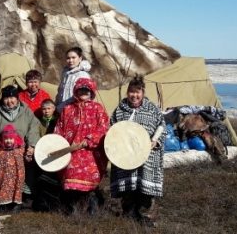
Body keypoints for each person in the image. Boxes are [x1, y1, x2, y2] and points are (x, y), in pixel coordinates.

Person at [109, 75, 166, 226]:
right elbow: (112, 131)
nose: (134, 95)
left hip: (147, 156)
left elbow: (162, 127)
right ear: (127, 92)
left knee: (144, 188)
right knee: (128, 187)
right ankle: (129, 214)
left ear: (143, 92)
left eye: (138, 92)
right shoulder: (120, 111)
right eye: (131, 92)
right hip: (125, 156)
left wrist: (155, 140)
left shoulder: (152, 109)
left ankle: (146, 216)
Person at [54, 78, 109, 215]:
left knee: (90, 178)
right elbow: (59, 129)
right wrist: (59, 145)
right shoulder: (67, 109)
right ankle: (73, 209)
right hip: (71, 151)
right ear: (76, 91)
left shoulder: (98, 108)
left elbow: (104, 128)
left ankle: (92, 208)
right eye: (81, 89)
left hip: (92, 151)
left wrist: (89, 140)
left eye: (86, 89)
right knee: (71, 176)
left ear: (91, 92)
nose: (83, 92)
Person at [0, 85, 40, 204]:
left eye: (12, 98)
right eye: (6, 98)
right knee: (1, 173)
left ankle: (19, 200)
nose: (9, 101)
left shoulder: (26, 111)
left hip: (20, 149)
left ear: (17, 98)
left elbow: (33, 128)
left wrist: (32, 146)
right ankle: (0, 201)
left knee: (21, 172)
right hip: (2, 150)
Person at [0, 124, 26, 212]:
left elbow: (27, 159)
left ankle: (15, 204)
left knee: (16, 188)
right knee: (1, 187)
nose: (8, 141)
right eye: (6, 138)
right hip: (2, 177)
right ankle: (1, 205)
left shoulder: (20, 150)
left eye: (11, 138)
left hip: (16, 176)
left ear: (15, 138)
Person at [55, 47, 92, 112]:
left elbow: (83, 96)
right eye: (68, 58)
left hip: (76, 111)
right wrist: (56, 105)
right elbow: (60, 92)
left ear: (80, 58)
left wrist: (61, 107)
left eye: (73, 57)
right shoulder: (66, 73)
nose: (70, 60)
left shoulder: (83, 75)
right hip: (62, 110)